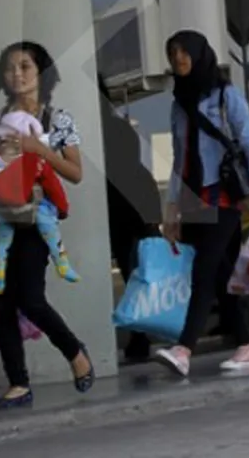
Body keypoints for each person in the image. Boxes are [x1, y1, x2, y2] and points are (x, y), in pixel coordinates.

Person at [0, 40, 95, 409]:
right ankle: (18, 383)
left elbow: (75, 172)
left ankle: (75, 352)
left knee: (29, 298)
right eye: (10, 68)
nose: (17, 74)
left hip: (34, 220)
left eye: (25, 66)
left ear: (41, 73)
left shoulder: (58, 120)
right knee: (0, 302)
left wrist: (40, 150)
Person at [156, 30, 249, 377]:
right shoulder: (179, 105)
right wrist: (171, 207)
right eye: (173, 53)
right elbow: (179, 159)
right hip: (194, 200)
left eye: (184, 52)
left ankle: (184, 348)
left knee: (204, 270)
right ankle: (246, 346)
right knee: (222, 274)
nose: (179, 59)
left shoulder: (226, 95)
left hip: (224, 195)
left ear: (199, 54)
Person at [0, 110, 78, 295]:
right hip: (30, 209)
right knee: (49, 229)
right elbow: (53, 187)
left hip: (4, 210)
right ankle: (62, 263)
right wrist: (62, 208)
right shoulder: (36, 161)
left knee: (2, 240)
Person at [98, 75, 162, 362]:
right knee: (139, 271)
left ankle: (140, 335)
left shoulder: (96, 129)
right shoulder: (118, 126)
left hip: (121, 208)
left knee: (132, 270)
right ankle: (143, 333)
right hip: (134, 206)